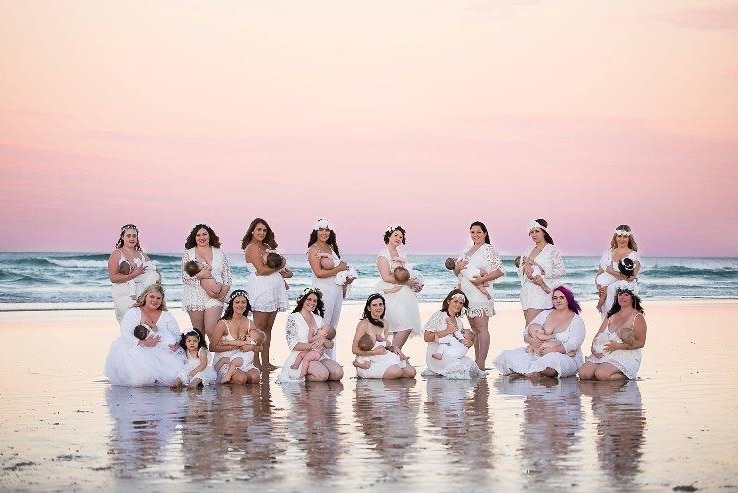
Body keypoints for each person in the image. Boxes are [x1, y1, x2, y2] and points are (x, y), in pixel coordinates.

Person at [493, 286, 586, 378]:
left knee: (553, 362)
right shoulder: (545, 314)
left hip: (566, 356)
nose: (558, 300)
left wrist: (553, 350)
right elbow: (526, 332)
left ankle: (525, 372)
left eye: (561, 297)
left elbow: (574, 344)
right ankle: (532, 372)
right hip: (538, 353)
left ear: (568, 299)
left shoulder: (576, 320)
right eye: (555, 298)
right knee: (507, 355)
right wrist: (532, 341)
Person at [104, 283, 184, 386]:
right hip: (137, 349)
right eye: (152, 296)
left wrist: (177, 344)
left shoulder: (166, 315)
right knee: (142, 378)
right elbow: (125, 333)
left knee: (173, 375)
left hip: (161, 350)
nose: (155, 300)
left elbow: (177, 334)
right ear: (145, 296)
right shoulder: (134, 312)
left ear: (162, 300)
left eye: (158, 298)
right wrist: (144, 342)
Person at [452, 221, 505, 370]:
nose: (475, 235)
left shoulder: (488, 249)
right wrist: (457, 268)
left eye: (478, 232)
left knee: (482, 328)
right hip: (466, 294)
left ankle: (481, 362)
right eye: (472, 232)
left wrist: (482, 279)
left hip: (481, 293)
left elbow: (500, 270)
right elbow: (458, 273)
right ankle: (476, 360)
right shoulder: (465, 250)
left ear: (485, 233)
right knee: (474, 329)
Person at [243, 218, 293, 370]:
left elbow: (287, 272)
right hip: (261, 290)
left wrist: (285, 270)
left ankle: (266, 362)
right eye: (259, 229)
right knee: (258, 328)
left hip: (274, 291)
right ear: (252, 230)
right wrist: (280, 266)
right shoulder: (251, 248)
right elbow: (262, 270)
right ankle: (255, 362)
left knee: (269, 328)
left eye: (264, 230)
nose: (262, 233)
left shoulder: (268, 247)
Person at [579, 280, 647, 381]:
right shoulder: (611, 314)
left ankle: (628, 376)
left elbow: (641, 343)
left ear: (633, 298)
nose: (622, 297)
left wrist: (618, 346)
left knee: (601, 374)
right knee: (584, 374)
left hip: (624, 353)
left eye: (626, 295)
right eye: (620, 294)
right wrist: (593, 348)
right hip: (604, 351)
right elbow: (599, 334)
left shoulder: (637, 317)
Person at [307, 218, 354, 359]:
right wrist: (339, 268)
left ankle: (330, 358)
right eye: (321, 229)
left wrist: (346, 278)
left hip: (336, 290)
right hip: (323, 291)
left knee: (332, 328)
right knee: (323, 326)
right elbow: (319, 273)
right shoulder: (313, 249)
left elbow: (337, 271)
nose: (324, 232)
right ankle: (317, 358)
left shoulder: (331, 248)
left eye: (327, 230)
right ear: (316, 231)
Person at [276, 287, 344, 383]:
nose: (312, 303)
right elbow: (293, 345)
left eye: (315, 301)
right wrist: (313, 346)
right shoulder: (293, 318)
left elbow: (331, 344)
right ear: (302, 300)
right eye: (309, 299)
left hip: (318, 355)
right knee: (322, 376)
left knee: (338, 373)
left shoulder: (319, 319)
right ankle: (304, 376)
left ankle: (317, 371)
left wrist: (324, 341)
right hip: (301, 356)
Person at [181, 224, 233, 340]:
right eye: (198, 235)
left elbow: (228, 277)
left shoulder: (219, 252)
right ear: (194, 238)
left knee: (211, 330)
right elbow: (185, 277)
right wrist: (201, 276)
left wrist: (223, 291)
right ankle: (202, 358)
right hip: (195, 296)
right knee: (198, 333)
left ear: (210, 236)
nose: (201, 237)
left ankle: (220, 356)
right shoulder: (188, 253)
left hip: (216, 297)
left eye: (204, 234)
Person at [376, 224, 422, 350]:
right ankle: (391, 355)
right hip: (392, 295)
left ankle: (393, 358)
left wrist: (416, 284)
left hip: (405, 295)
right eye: (395, 235)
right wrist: (407, 282)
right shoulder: (383, 255)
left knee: (400, 327)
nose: (398, 238)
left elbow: (406, 273)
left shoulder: (401, 253)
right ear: (389, 236)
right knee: (405, 325)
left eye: (401, 237)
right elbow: (386, 276)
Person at [423, 289, 486, 379]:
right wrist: (447, 331)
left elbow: (460, 340)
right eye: (455, 301)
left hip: (452, 353)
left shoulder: (458, 321)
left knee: (470, 365)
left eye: (461, 303)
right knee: (460, 369)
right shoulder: (439, 315)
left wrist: (470, 343)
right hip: (437, 354)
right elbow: (426, 337)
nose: (458, 305)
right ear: (448, 301)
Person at [351, 293, 416, 379]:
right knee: (397, 371)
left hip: (382, 357)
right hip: (367, 361)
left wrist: (393, 348)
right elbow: (354, 350)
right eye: (374, 305)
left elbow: (383, 345)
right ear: (369, 308)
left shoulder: (385, 323)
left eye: (381, 304)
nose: (378, 307)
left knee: (411, 372)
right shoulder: (364, 324)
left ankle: (390, 371)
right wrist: (374, 352)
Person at [107, 224, 161, 322]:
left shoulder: (141, 254)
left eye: (134, 236)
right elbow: (113, 278)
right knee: (129, 324)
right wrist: (134, 274)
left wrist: (156, 278)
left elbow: (154, 269)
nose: (132, 238)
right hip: (124, 296)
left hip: (142, 296)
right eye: (128, 236)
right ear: (122, 237)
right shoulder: (117, 254)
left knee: (144, 326)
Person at [209, 290, 262, 384]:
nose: (240, 305)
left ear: (247, 304)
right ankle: (227, 386)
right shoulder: (223, 323)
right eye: (237, 302)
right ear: (231, 305)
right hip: (225, 360)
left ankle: (246, 396)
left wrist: (250, 346)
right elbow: (212, 347)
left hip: (242, 360)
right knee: (241, 378)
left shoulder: (250, 323)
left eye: (243, 302)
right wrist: (237, 345)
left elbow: (260, 347)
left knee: (255, 377)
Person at [519, 219, 566, 325]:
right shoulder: (528, 250)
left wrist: (542, 274)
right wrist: (525, 266)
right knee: (529, 326)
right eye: (532, 232)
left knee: (532, 326)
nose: (534, 234)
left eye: (537, 231)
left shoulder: (551, 250)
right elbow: (521, 270)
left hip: (541, 291)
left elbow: (561, 271)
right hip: (526, 292)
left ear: (544, 232)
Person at [595, 225, 642, 318]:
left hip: (624, 296)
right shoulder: (607, 254)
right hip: (607, 296)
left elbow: (631, 278)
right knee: (608, 323)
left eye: (625, 236)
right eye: (619, 236)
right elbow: (599, 274)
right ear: (615, 237)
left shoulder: (633, 256)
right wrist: (599, 287)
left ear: (629, 238)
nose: (622, 239)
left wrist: (612, 272)